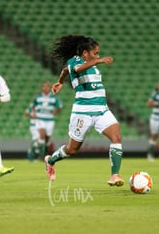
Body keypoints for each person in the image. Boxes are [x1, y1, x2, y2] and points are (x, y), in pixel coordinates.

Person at [44, 35, 124, 187]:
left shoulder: (91, 65)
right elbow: (75, 68)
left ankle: (115, 175)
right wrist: (99, 61)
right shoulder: (76, 61)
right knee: (72, 150)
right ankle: (51, 160)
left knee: (117, 137)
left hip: (102, 109)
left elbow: (65, 71)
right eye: (95, 53)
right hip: (83, 112)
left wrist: (60, 81)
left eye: (98, 54)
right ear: (85, 53)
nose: (98, 56)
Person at [30, 81, 62, 160]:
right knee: (42, 135)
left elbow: (59, 107)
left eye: (47, 86)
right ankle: (41, 155)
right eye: (44, 86)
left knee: (47, 138)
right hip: (40, 119)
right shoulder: (38, 97)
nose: (45, 88)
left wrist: (55, 112)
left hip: (50, 120)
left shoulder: (53, 98)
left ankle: (44, 152)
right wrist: (34, 113)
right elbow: (33, 105)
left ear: (50, 88)